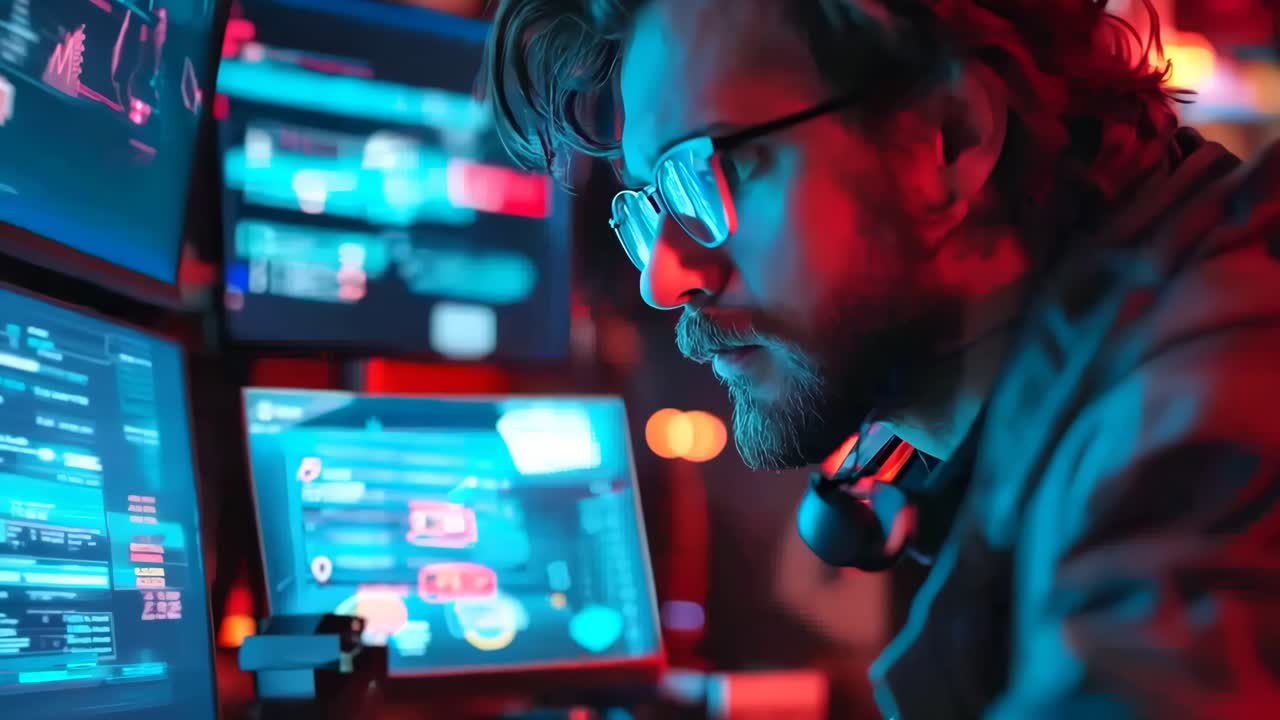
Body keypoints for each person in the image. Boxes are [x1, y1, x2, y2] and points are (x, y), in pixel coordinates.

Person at [480, 0, 1280, 717]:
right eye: (652, 203)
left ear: (948, 139)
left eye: (708, 173)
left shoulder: (1208, 410)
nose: (665, 277)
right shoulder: (1079, 386)